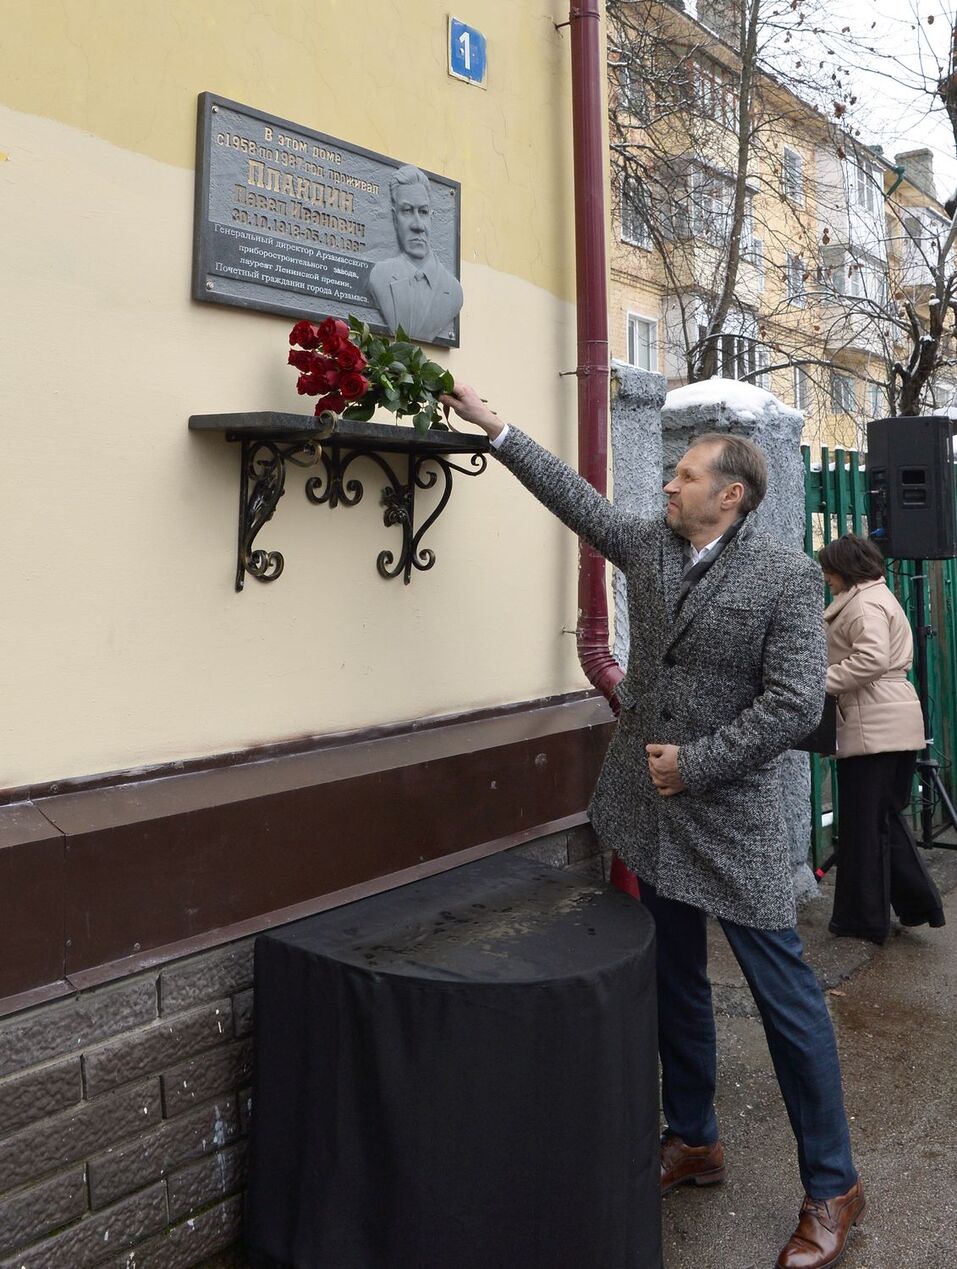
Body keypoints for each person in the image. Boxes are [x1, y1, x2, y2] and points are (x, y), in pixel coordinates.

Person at [440, 384, 865, 1269]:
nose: (668, 486)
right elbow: (577, 501)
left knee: (786, 1002)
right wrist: (496, 427)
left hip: (733, 820)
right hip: (651, 814)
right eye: (672, 475)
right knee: (674, 980)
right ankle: (695, 1137)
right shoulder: (650, 546)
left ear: (730, 494)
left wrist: (695, 763)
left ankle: (833, 1185)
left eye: (685, 476)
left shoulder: (785, 575)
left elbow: (793, 704)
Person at [819, 534, 945, 943]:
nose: (826, 576)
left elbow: (871, 659)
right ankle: (920, 905)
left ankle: (863, 920)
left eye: (829, 568)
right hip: (892, 719)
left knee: (864, 825)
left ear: (844, 568)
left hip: (872, 722)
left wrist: (819, 681)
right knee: (882, 818)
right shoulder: (878, 596)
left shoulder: (863, 604)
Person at [368, 165, 464, 343]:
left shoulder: (453, 291)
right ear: (394, 217)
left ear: (431, 217)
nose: (418, 225)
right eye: (407, 211)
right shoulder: (380, 276)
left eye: (423, 212)